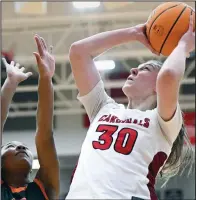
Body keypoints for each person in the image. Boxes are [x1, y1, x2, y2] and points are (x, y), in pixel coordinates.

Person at [66, 12, 195, 200]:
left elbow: (168, 77)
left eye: (146, 69)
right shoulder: (104, 108)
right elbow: (78, 52)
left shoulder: (162, 121)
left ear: (157, 86)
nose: (133, 69)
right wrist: (134, 32)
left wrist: (183, 46)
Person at [1, 35, 59, 200]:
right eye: (10, 146)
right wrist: (10, 84)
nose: (21, 148)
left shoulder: (45, 187)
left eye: (24, 147)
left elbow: (45, 136)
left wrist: (46, 77)